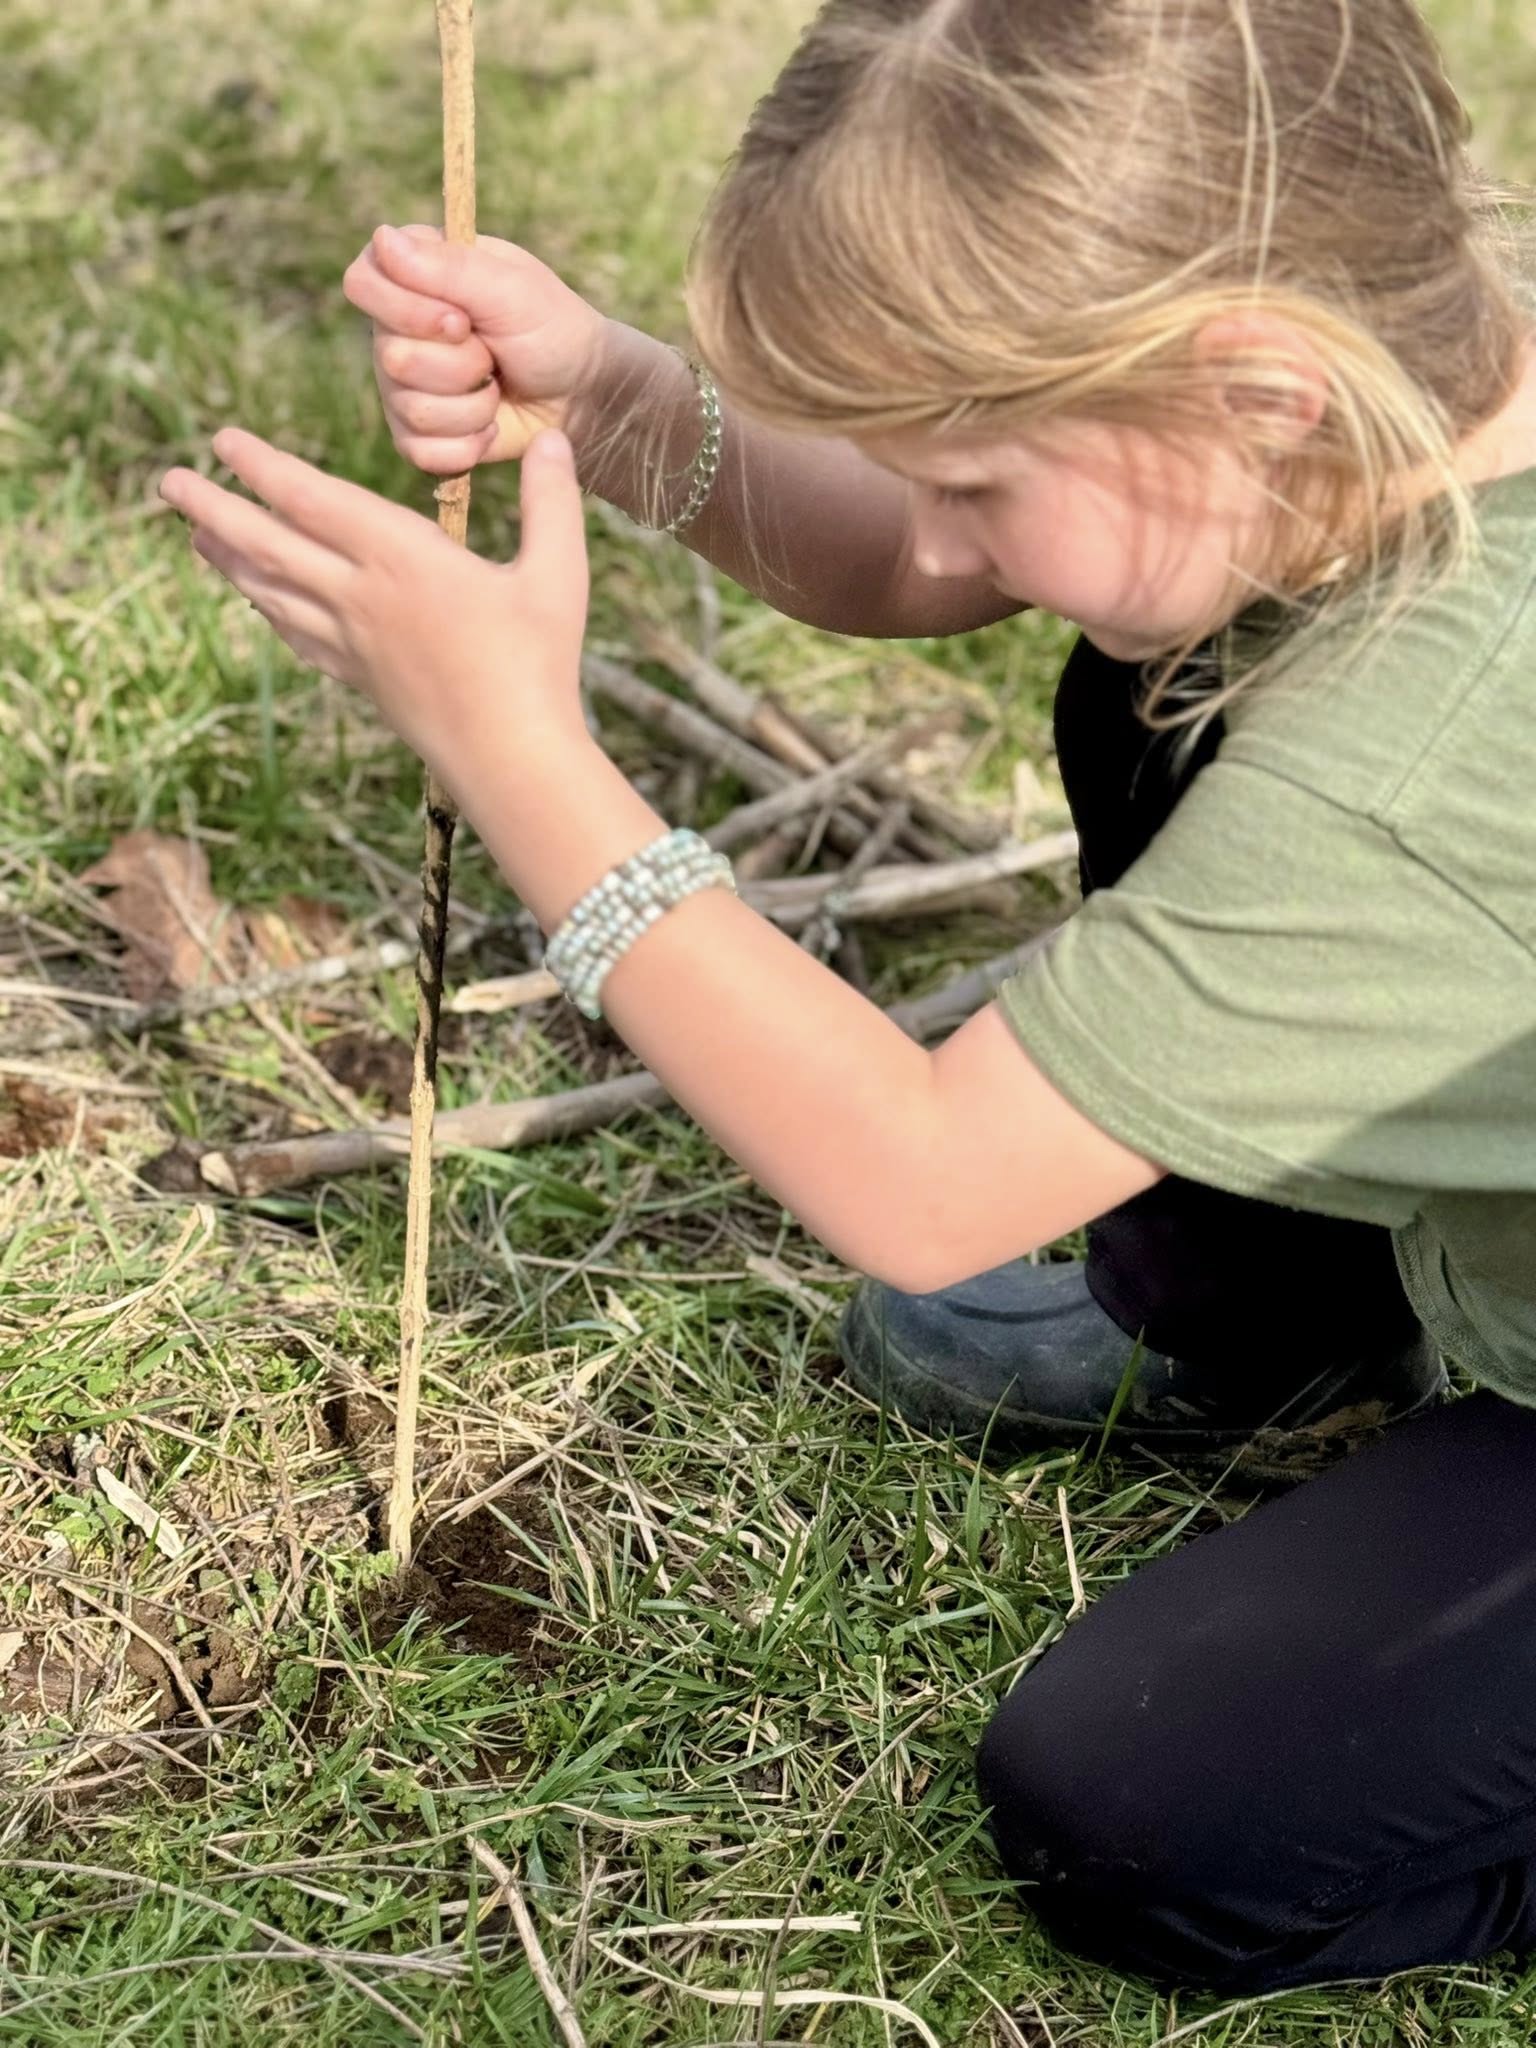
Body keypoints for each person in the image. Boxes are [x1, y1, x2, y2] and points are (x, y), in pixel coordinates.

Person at [159, 0, 1536, 2001]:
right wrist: (613, 399)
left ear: (1253, 387)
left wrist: (520, 751)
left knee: (1161, 1808)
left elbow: (922, 1181)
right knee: (1148, 668)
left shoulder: (1428, 766)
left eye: (982, 476)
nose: (949, 534)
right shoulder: (1402, 365)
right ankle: (1287, 1308)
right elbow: (912, 552)